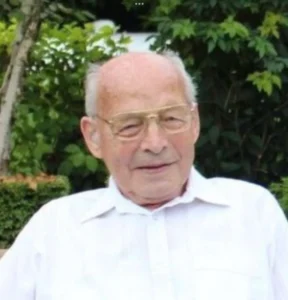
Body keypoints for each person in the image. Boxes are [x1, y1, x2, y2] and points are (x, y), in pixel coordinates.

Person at [0, 51, 287, 300]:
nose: (155, 143)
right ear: (94, 136)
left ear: (195, 122)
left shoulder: (253, 214)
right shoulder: (53, 232)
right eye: (129, 126)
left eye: (171, 119)